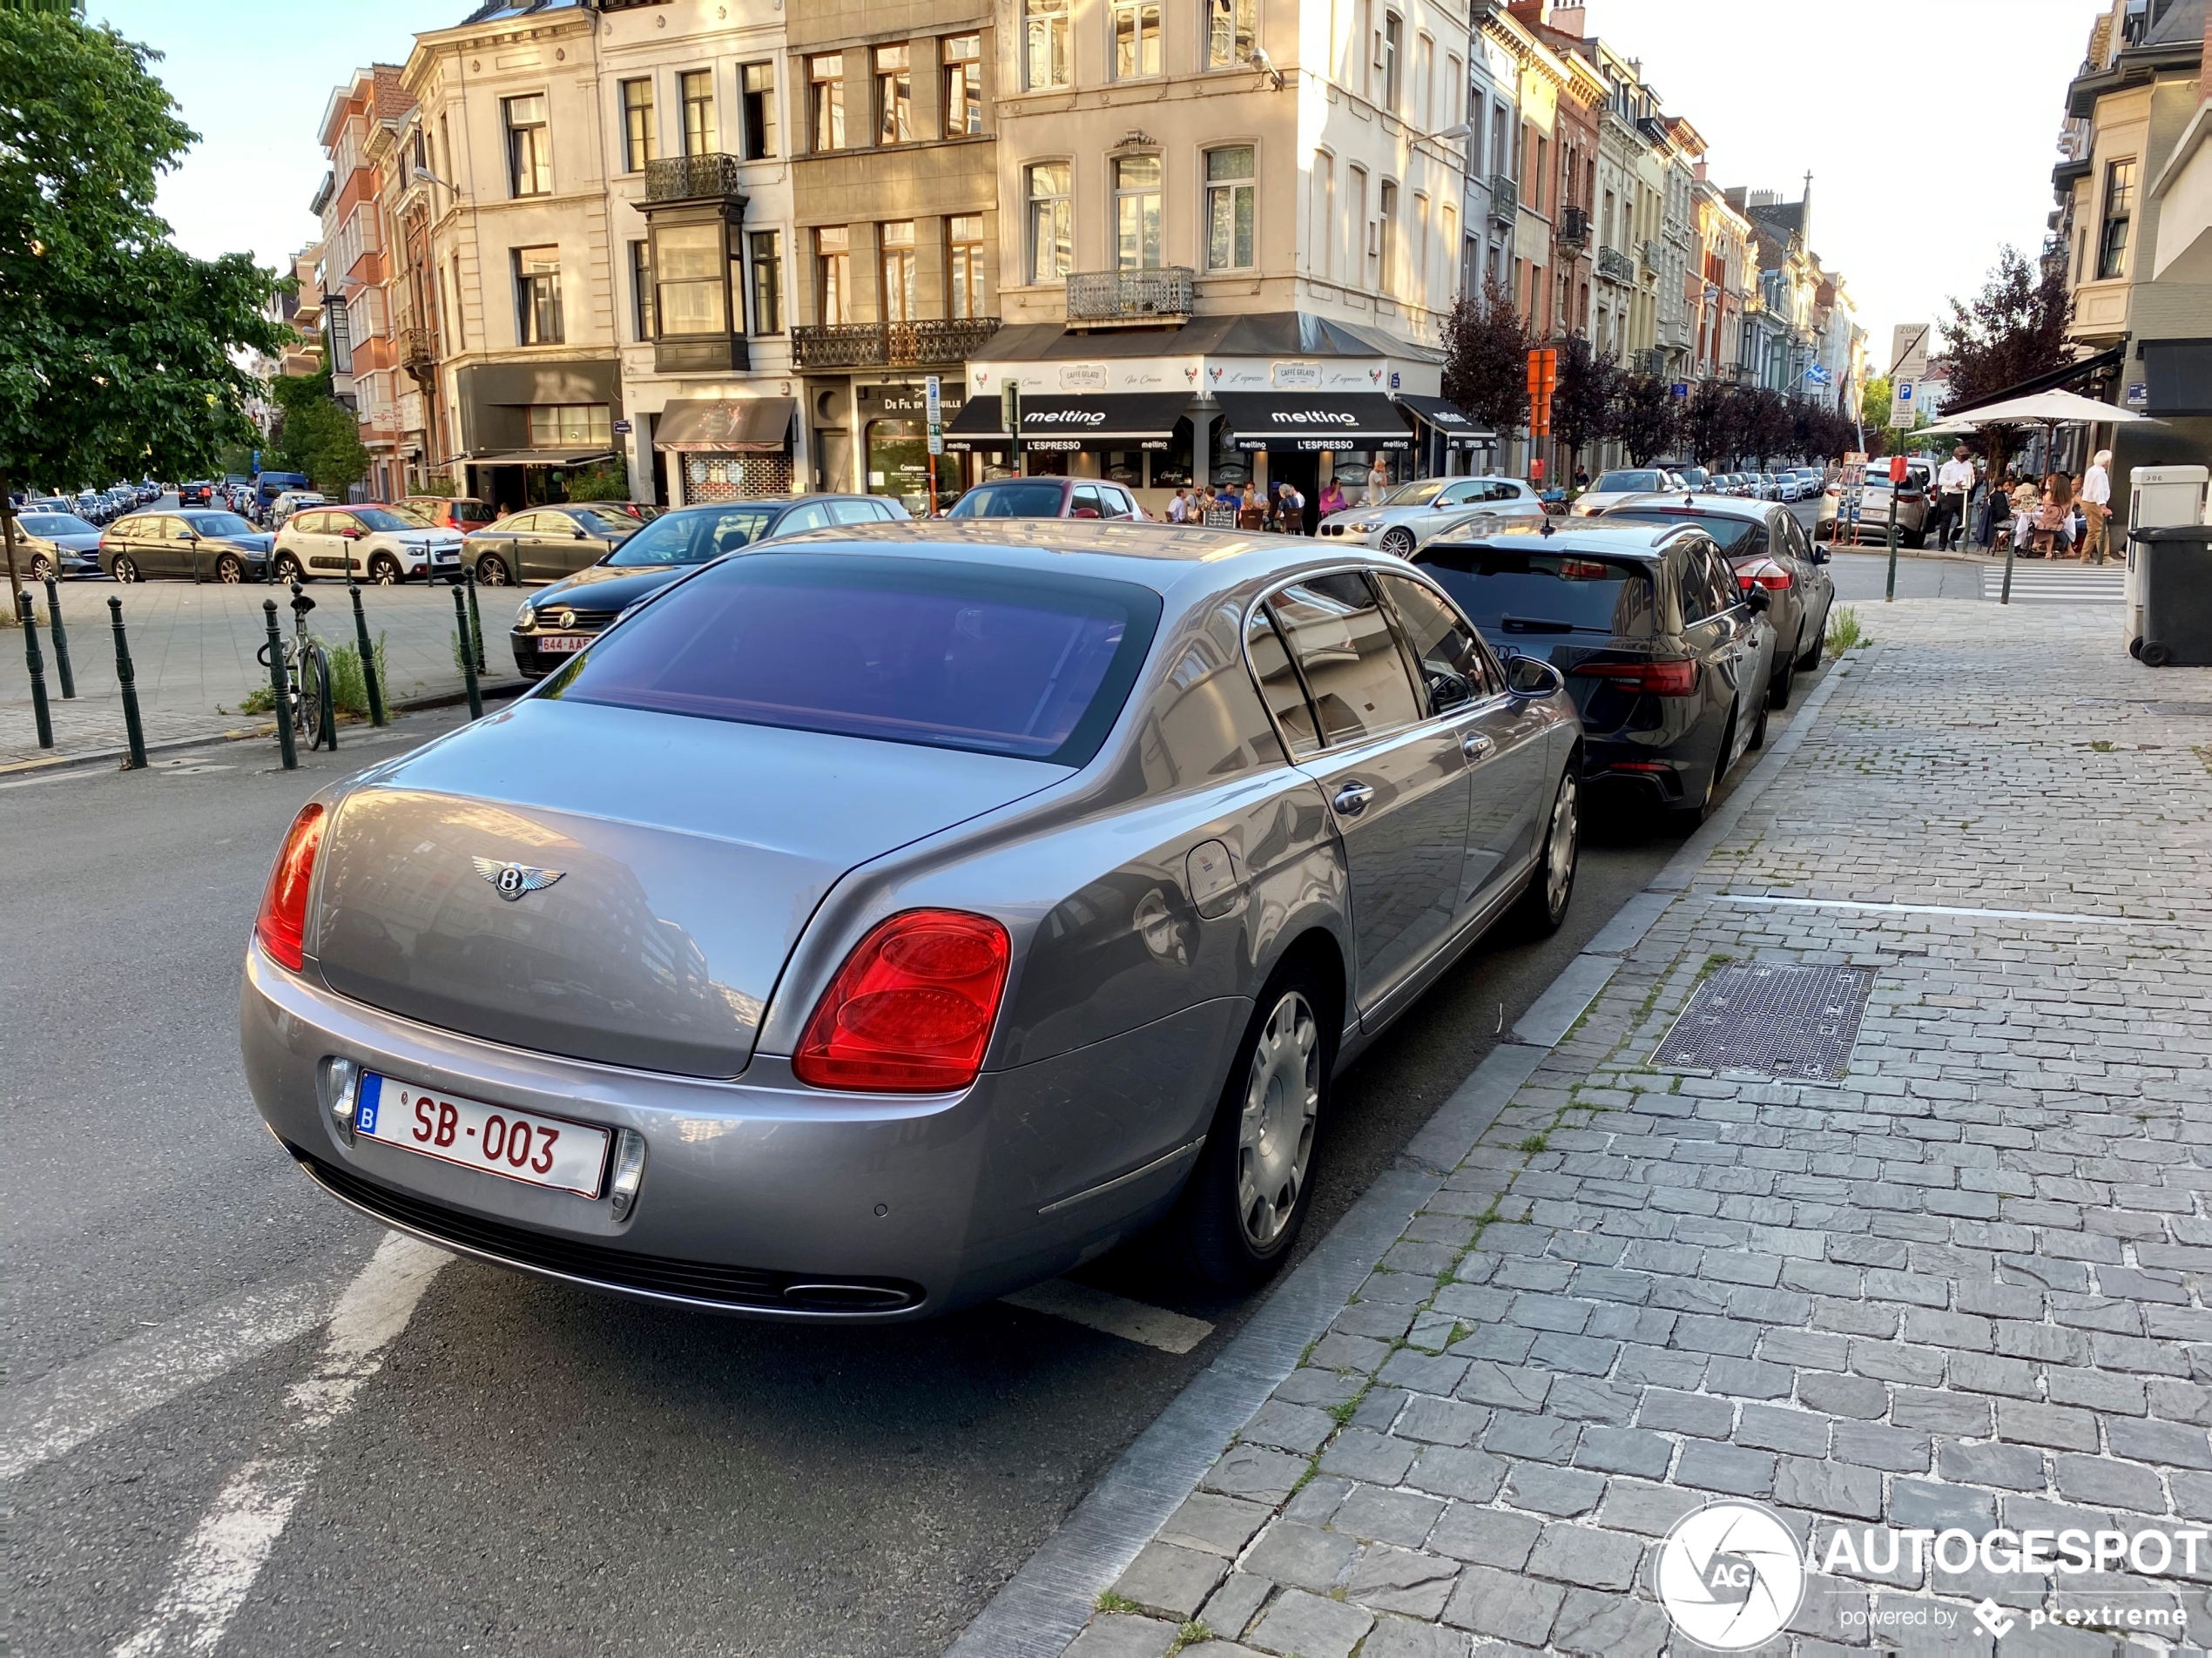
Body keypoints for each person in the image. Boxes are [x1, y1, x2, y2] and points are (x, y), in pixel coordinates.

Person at [1932, 446, 1974, 551]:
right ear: (1958, 454)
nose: (1967, 454)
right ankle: (1942, 545)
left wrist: (1970, 485)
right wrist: (1955, 484)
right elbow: (1941, 480)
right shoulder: (1948, 466)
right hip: (1949, 495)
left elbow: (1972, 478)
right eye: (1965, 453)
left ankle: (1953, 538)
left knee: (1963, 520)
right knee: (1946, 521)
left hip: (1963, 495)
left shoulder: (1969, 465)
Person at [2081, 449, 2112, 564]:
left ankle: (2085, 555)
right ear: (2106, 461)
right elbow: (2098, 490)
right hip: (2094, 503)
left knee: (2092, 531)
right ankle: (2104, 556)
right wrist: (2103, 505)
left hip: (2088, 502)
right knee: (2101, 530)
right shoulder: (2099, 473)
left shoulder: (2092, 470)